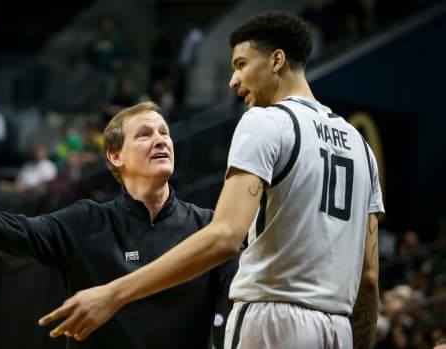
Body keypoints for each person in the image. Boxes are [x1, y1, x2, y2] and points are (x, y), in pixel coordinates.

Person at [38, 11, 385, 349]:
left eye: (240, 64)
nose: (233, 80)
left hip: (273, 322)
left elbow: (225, 237)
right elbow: (368, 280)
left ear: (277, 60)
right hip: (339, 330)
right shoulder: (361, 147)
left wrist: (114, 293)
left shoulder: (266, 121)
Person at [0, 101, 237, 348]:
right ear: (115, 156)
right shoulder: (87, 221)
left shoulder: (208, 228)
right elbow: (15, 231)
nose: (161, 139)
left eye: (165, 132)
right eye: (145, 134)